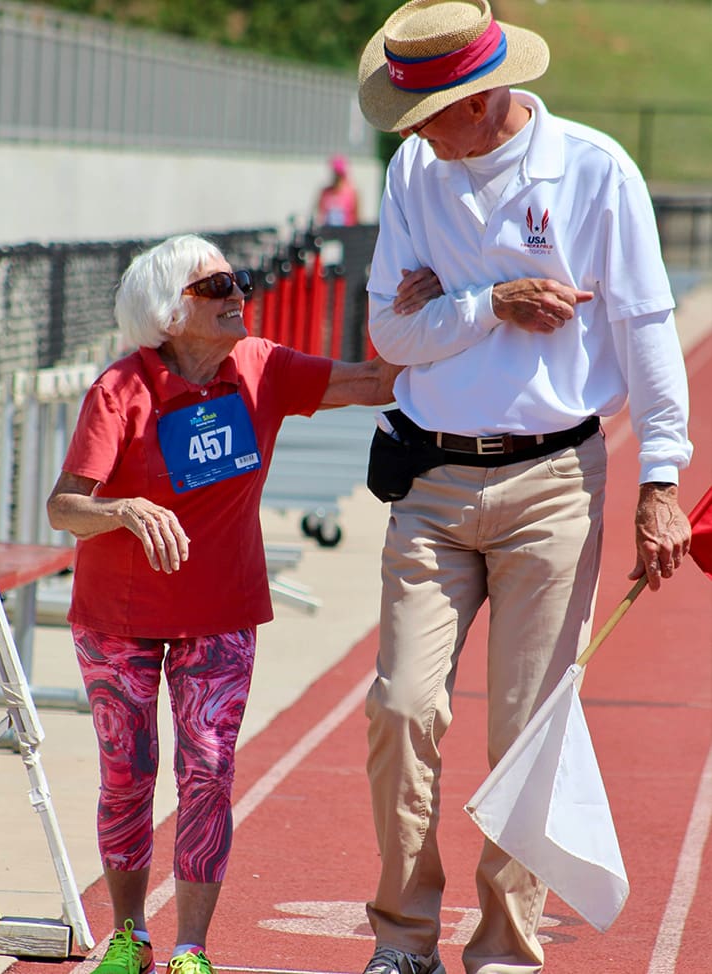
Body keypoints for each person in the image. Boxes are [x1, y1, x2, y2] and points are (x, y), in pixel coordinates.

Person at [354, 2, 693, 973]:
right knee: (401, 705)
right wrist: (491, 303)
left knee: (526, 725)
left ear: (485, 96)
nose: (412, 131)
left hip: (554, 484)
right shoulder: (415, 171)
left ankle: (505, 942)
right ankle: (403, 936)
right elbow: (391, 335)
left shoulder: (593, 170)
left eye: (428, 109)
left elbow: (646, 328)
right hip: (428, 476)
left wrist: (660, 479)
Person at [46, 233, 399, 974]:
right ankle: (129, 934)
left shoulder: (261, 367)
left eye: (235, 281)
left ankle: (190, 947)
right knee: (128, 769)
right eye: (215, 287)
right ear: (169, 312)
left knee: (208, 767)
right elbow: (64, 508)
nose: (238, 293)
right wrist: (122, 509)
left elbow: (375, 382)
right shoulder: (122, 388)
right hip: (119, 616)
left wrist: (423, 312)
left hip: (221, 611)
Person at [315, 154, 360, 227]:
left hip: (347, 232)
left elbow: (357, 218)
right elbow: (319, 214)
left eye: (339, 174)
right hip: (328, 232)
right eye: (335, 173)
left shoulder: (352, 193)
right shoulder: (325, 192)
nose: (337, 177)